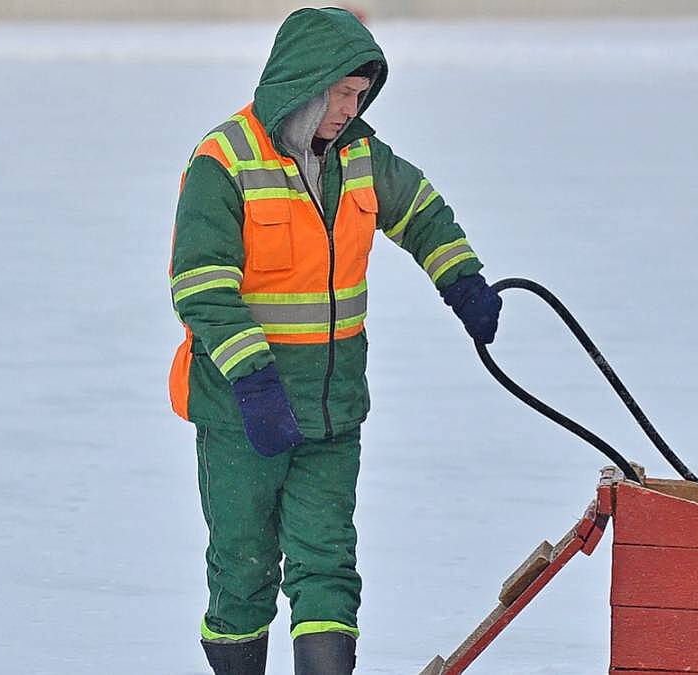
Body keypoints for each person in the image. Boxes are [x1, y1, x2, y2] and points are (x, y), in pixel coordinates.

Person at [167, 8, 502, 674]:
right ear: (306, 82)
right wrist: (253, 377)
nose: (352, 107)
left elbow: (422, 212)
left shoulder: (361, 156)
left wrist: (460, 277)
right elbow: (200, 285)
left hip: (331, 408)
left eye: (360, 94)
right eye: (342, 92)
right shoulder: (224, 160)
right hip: (243, 412)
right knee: (243, 566)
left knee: (327, 565)